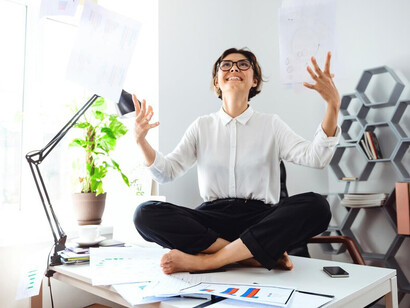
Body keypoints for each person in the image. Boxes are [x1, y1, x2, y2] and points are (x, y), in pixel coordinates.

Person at [132, 47, 341, 275]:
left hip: (259, 220)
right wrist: (141, 141)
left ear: (255, 80)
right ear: (217, 81)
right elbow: (166, 172)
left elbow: (317, 157)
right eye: (226, 65)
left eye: (243, 65)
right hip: (211, 222)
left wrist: (332, 106)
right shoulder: (201, 126)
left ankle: (209, 261)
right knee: (144, 213)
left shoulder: (271, 124)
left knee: (318, 206)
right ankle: (252, 258)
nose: (233, 68)